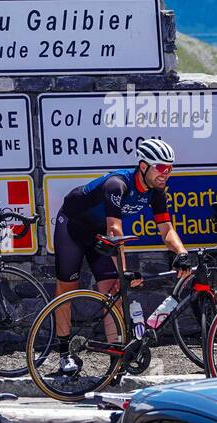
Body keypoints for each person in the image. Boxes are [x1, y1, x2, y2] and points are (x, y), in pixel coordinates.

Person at [51, 138, 189, 375]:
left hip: (99, 236)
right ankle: (63, 354)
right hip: (72, 227)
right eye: (161, 168)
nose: (166, 174)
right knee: (68, 288)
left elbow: (166, 230)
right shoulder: (117, 184)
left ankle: (116, 356)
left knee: (113, 290)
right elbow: (115, 231)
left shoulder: (156, 192)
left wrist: (182, 253)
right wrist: (124, 270)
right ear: (143, 166)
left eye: (170, 168)